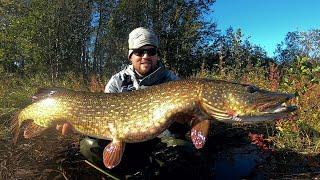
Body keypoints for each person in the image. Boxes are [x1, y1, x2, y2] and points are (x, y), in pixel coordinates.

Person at [79, 27, 181, 168]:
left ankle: (154, 167)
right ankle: (130, 171)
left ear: (157, 55)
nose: (146, 56)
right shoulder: (117, 81)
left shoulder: (172, 82)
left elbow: (183, 125)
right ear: (130, 56)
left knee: (182, 153)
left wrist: (185, 121)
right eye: (139, 52)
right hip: (126, 143)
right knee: (89, 146)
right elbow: (104, 116)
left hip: (159, 141)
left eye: (151, 51)